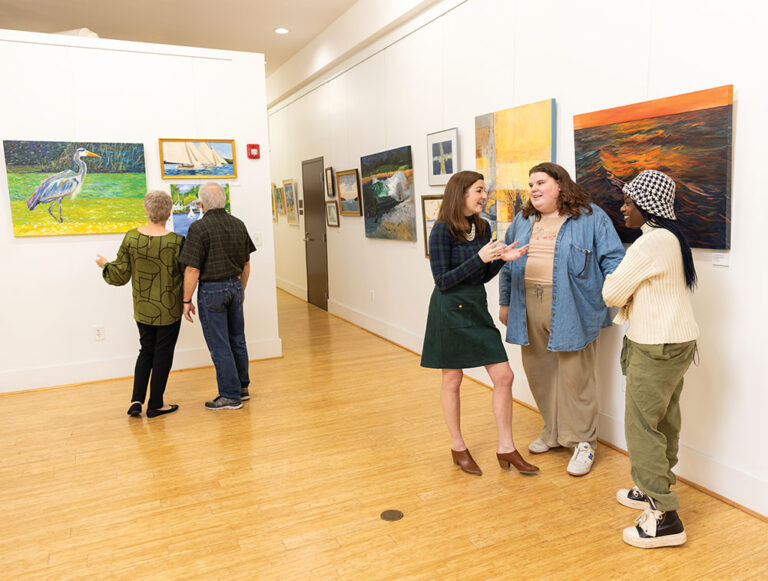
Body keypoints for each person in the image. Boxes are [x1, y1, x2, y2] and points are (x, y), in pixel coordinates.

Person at [498, 162, 625, 476]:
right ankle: (553, 431)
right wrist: (505, 302)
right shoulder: (523, 219)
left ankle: (583, 441)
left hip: (572, 304)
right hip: (527, 302)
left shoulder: (590, 216)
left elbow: (613, 259)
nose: (534, 189)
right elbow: (506, 262)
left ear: (560, 185)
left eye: (540, 182)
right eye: (531, 184)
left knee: (576, 376)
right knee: (539, 371)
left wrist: (616, 298)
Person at [602, 170, 699, 548]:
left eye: (629, 202)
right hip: (678, 342)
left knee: (642, 426)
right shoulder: (672, 237)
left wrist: (624, 286)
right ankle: (651, 488)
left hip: (655, 345)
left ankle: (664, 516)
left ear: (648, 205)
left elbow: (612, 293)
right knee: (664, 419)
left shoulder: (650, 243)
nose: (623, 208)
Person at [421, 170, 539, 477]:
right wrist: (481, 259)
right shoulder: (442, 230)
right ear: (461, 193)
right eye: (479, 190)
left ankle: (506, 448)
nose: (484, 196)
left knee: (504, 376)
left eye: (484, 190)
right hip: (449, 309)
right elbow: (442, 281)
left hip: (475, 306)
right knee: (453, 379)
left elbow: (482, 275)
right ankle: (458, 446)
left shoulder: (482, 227)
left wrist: (501, 260)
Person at [96, 190, 184, 418]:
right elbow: (185, 275)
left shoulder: (131, 238)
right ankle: (155, 404)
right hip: (169, 308)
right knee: (163, 355)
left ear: (147, 210)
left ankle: (136, 401)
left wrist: (105, 264)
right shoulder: (177, 242)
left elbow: (120, 275)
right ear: (169, 212)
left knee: (145, 351)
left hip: (143, 307)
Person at [179, 182, 256, 410]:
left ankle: (229, 396)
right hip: (235, 286)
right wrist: (241, 289)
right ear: (223, 201)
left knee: (219, 344)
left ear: (202, 204)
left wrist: (186, 300)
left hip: (212, 291)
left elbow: (192, 269)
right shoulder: (238, 224)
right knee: (237, 340)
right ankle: (241, 388)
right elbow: (246, 264)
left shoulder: (199, 228)